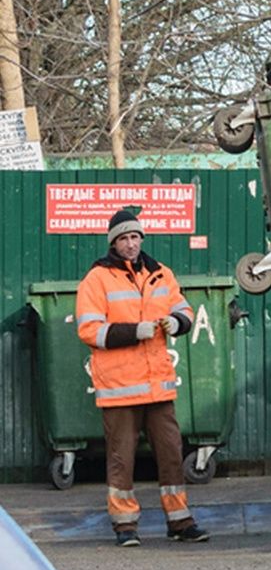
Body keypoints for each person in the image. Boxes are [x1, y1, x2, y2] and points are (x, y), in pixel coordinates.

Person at [75, 209, 209, 547]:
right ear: (113, 243)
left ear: (141, 239)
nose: (131, 244)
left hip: (158, 385)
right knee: (122, 460)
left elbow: (185, 310)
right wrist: (136, 331)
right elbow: (89, 330)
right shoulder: (97, 279)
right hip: (120, 388)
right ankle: (125, 527)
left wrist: (176, 323)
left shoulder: (161, 274)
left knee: (171, 454)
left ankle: (180, 521)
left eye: (135, 237)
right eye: (123, 238)